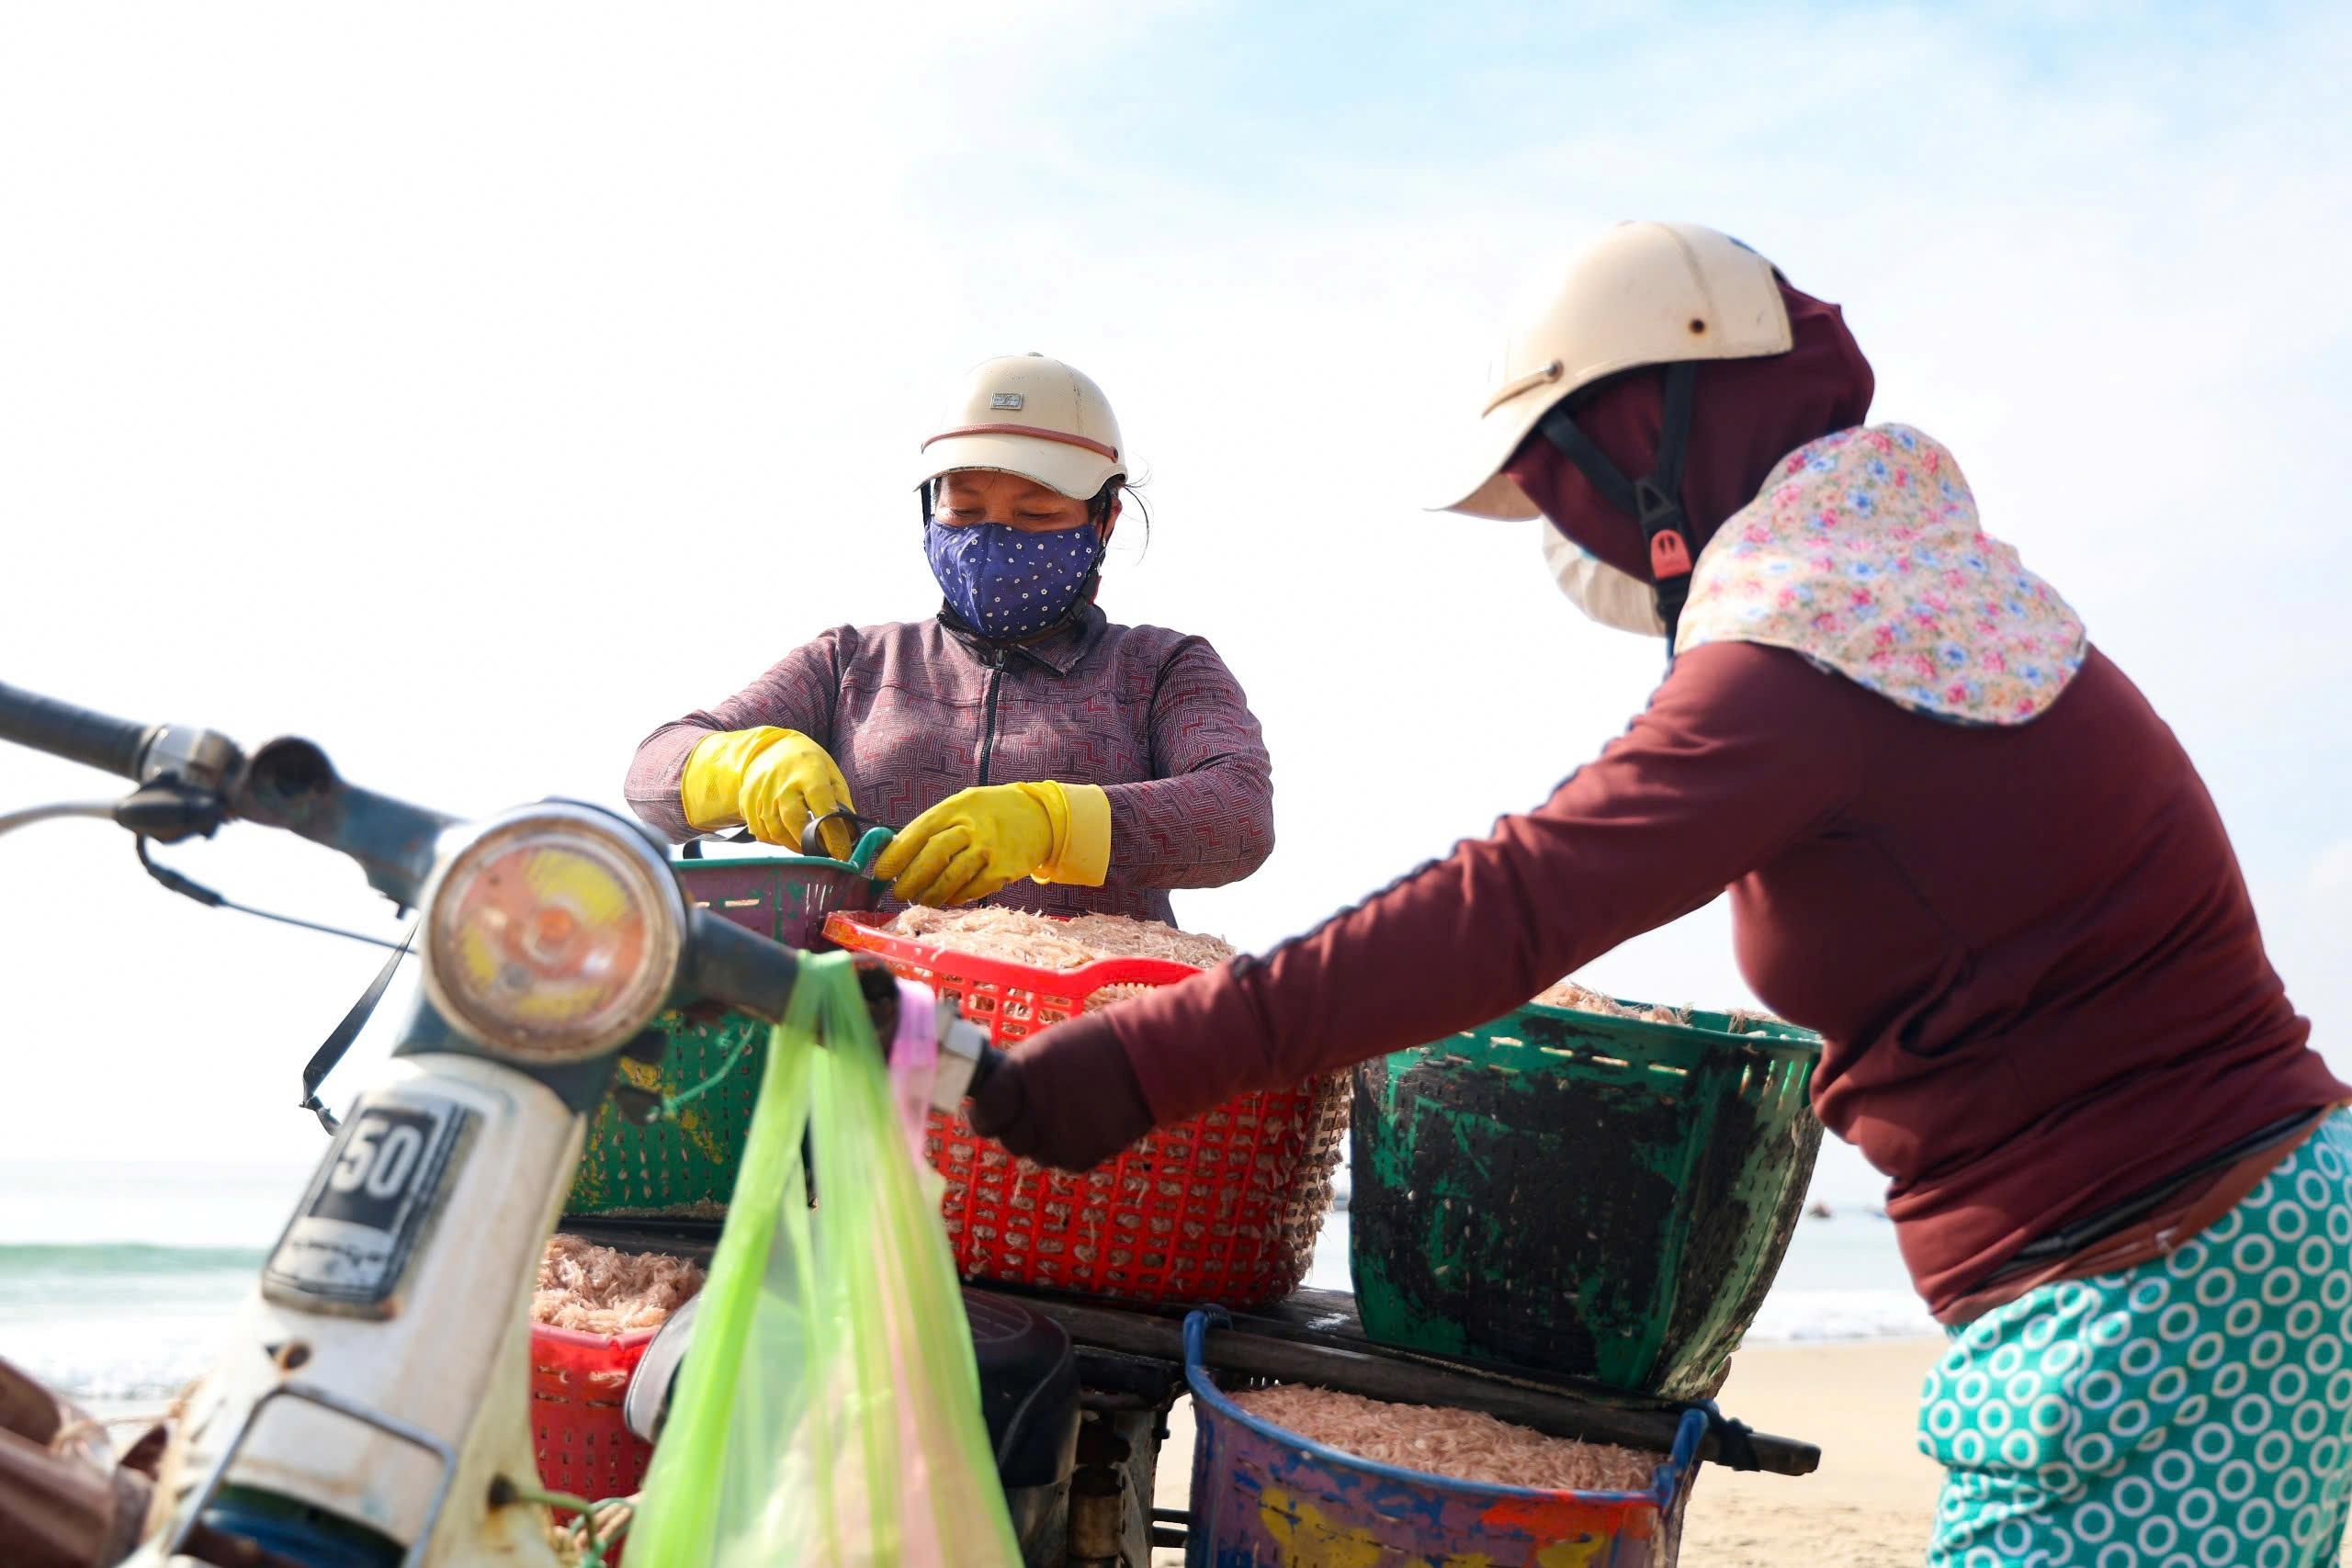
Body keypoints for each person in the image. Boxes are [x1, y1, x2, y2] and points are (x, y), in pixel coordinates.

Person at [967, 224, 2352, 1565]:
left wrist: (1141, 1059)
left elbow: (1512, 903)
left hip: (2162, 1283)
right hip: (2224, 1245)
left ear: (1649, 439)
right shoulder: (1918, 600)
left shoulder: (1814, 658)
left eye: (1558, 478)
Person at [625, 354, 1272, 920]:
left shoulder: (1159, 669)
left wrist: (1052, 823)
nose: (993, 539)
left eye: (1036, 513)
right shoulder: (853, 664)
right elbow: (652, 770)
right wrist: (744, 766)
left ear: (1104, 519)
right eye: (963, 510)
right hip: (871, 1032)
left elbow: (1238, 812)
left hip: (1084, 1039)